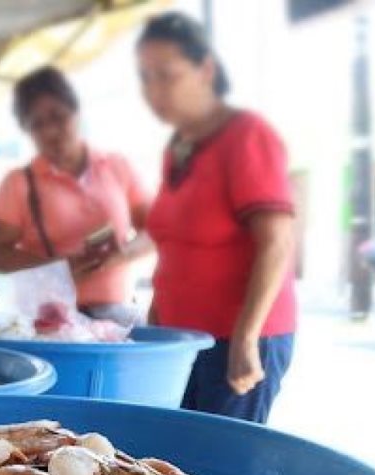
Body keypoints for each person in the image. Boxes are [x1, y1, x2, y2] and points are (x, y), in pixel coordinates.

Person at [137, 13, 297, 424]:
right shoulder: (178, 148)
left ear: (205, 69)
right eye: (146, 78)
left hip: (237, 339)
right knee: (178, 461)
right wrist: (156, 320)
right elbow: (174, 245)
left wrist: (246, 337)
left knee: (218, 465)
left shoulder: (246, 135)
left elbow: (277, 242)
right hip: (181, 341)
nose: (154, 91)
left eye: (166, 75)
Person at [0, 66, 153, 325]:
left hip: (116, 316)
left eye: (58, 117)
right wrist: (56, 269)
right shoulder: (18, 183)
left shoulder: (117, 166)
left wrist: (123, 254)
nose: (51, 132)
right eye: (37, 124)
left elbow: (156, 230)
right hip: (50, 322)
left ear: (77, 112)